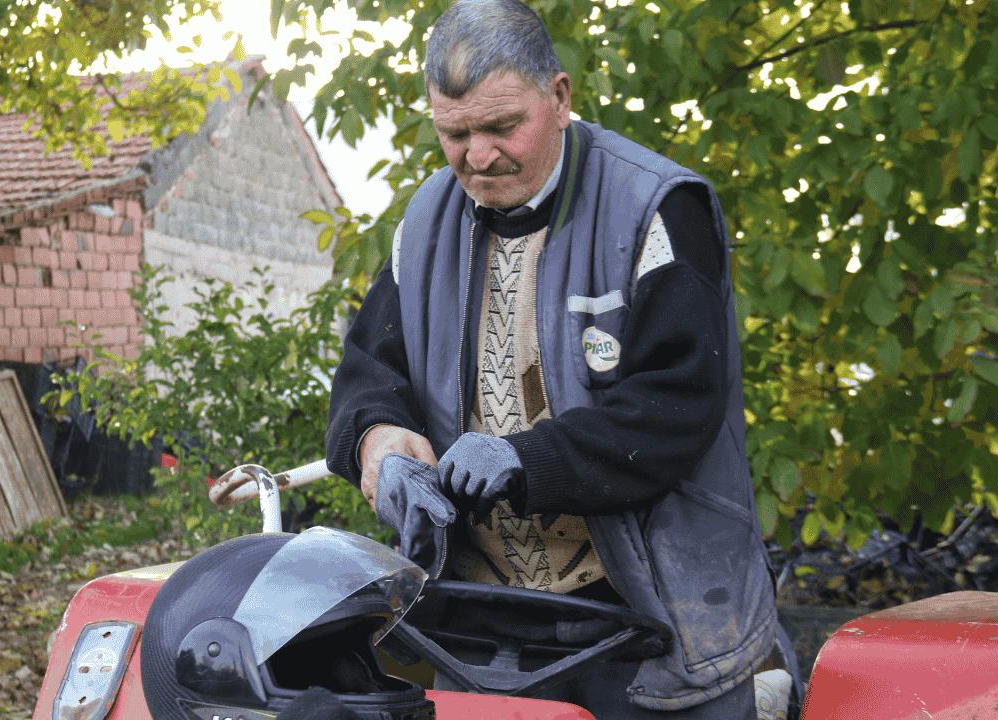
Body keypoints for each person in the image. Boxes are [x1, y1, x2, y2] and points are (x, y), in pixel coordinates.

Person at [324, 1, 802, 718]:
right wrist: (379, 445)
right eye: (454, 133)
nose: (477, 157)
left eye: (501, 126)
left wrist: (527, 461)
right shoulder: (422, 224)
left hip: (659, 628)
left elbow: (677, 407)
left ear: (560, 96)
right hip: (482, 630)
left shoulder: (658, 209)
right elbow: (370, 378)